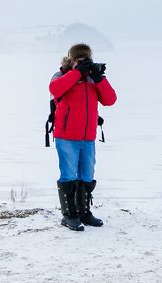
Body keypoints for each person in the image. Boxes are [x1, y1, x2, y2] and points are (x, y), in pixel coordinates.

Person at [48, 43, 117, 231]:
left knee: (87, 175)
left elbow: (110, 99)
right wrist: (77, 73)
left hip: (88, 137)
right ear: (71, 60)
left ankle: (84, 212)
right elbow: (54, 89)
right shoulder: (62, 75)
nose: (82, 62)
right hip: (66, 136)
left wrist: (98, 77)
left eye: (86, 59)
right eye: (79, 60)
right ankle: (69, 215)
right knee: (69, 175)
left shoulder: (92, 78)